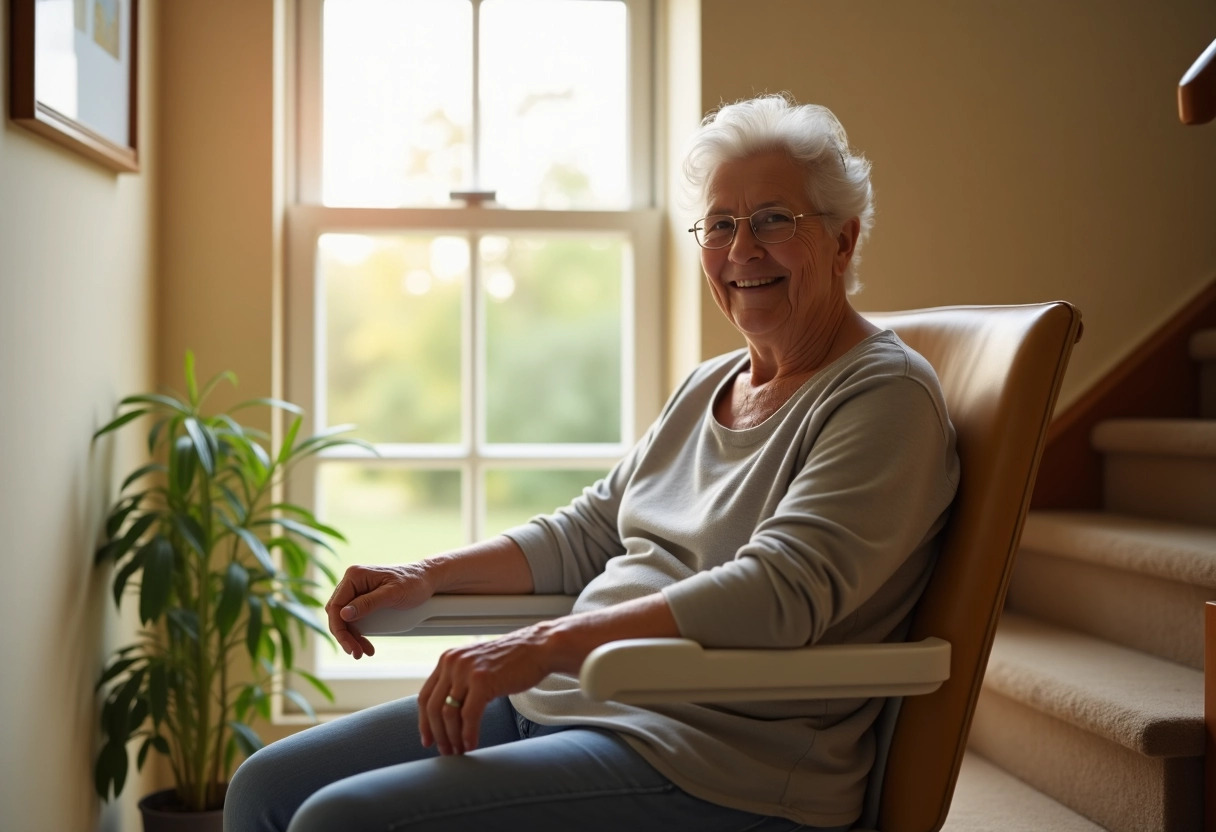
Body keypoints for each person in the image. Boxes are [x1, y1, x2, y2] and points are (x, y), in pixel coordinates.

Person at [223, 94, 960, 832]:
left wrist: (543, 646)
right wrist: (428, 574)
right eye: (721, 224)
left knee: (339, 822)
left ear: (843, 240)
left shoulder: (883, 396)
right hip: (568, 704)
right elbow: (588, 533)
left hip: (710, 760)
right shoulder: (710, 383)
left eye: (773, 219)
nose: (742, 250)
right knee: (264, 788)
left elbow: (781, 592)